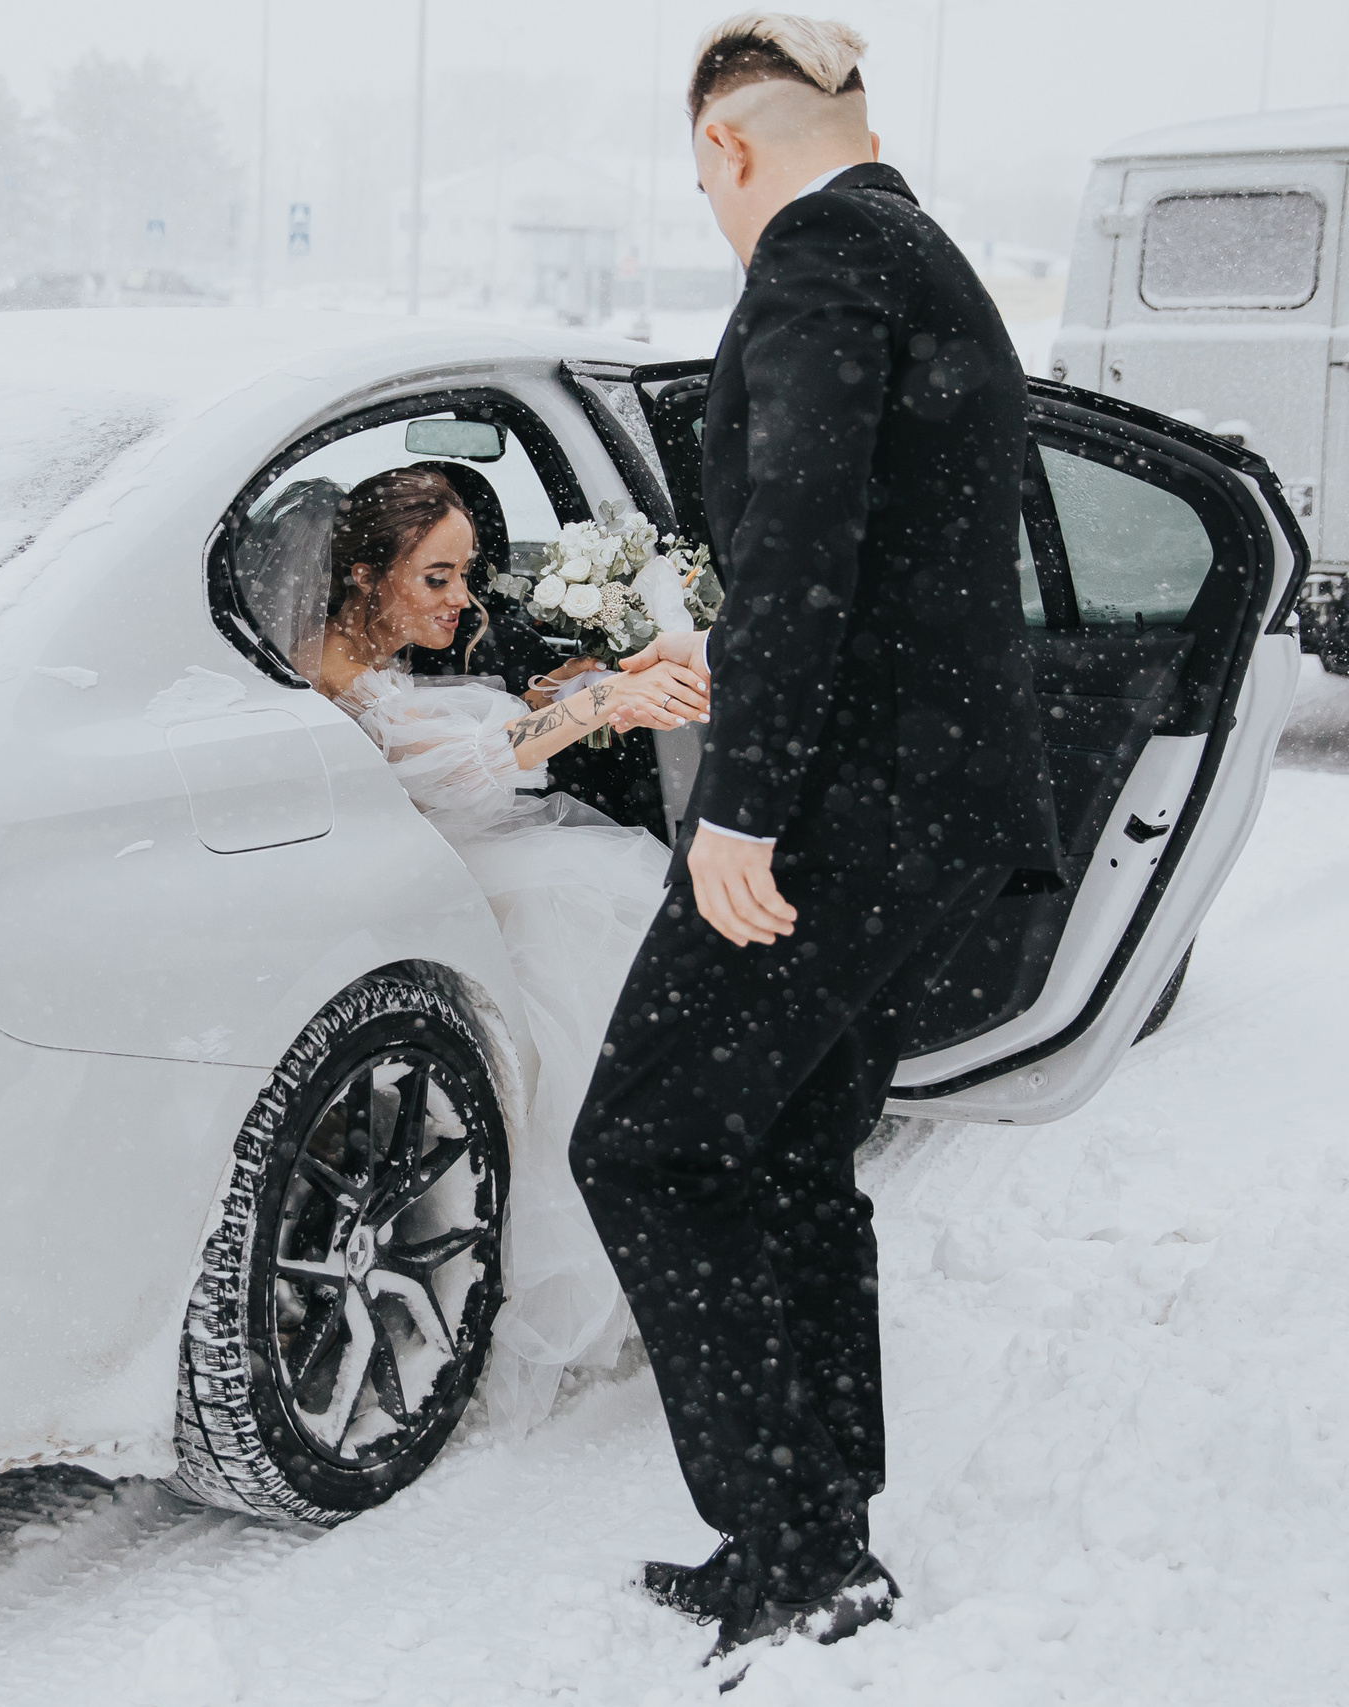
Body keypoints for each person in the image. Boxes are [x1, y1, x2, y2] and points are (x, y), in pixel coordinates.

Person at [569, 12, 1061, 1674]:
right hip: (926, 800)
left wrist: (744, 804)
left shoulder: (818, 255)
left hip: (843, 811)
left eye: (703, 182)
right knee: (784, 1151)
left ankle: (796, 1547)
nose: (717, 213)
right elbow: (888, 547)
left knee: (643, 1145)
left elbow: (801, 536)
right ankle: (815, 1532)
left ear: (725, 145)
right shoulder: (923, 254)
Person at [312, 466, 711, 1428]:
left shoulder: (370, 650)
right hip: (424, 886)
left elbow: (448, 727)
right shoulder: (323, 664)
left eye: (465, 574)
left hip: (450, 862)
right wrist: (600, 704)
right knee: (594, 912)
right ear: (364, 573)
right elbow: (452, 771)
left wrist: (563, 692)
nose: (462, 598)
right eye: (436, 577)